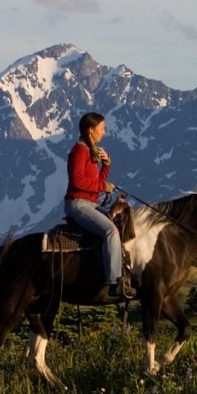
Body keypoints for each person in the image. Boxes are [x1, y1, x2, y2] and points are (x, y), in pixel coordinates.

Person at [65, 112, 131, 301]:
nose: (104, 132)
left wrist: (106, 165)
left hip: (89, 203)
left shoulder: (90, 151)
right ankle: (113, 281)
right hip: (77, 204)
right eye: (101, 128)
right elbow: (77, 181)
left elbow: (96, 183)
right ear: (90, 130)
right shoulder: (79, 151)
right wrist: (104, 186)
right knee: (111, 232)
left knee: (120, 223)